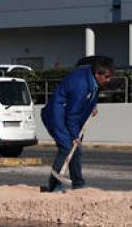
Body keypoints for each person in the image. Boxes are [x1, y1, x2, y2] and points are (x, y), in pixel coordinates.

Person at [42, 56, 115, 192]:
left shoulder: (92, 79)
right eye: (106, 77)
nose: (108, 80)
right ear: (97, 74)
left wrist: (92, 106)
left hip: (68, 116)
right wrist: (75, 135)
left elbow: (93, 94)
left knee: (76, 150)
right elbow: (72, 114)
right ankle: (54, 185)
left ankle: (78, 184)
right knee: (66, 147)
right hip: (57, 115)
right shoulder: (81, 85)